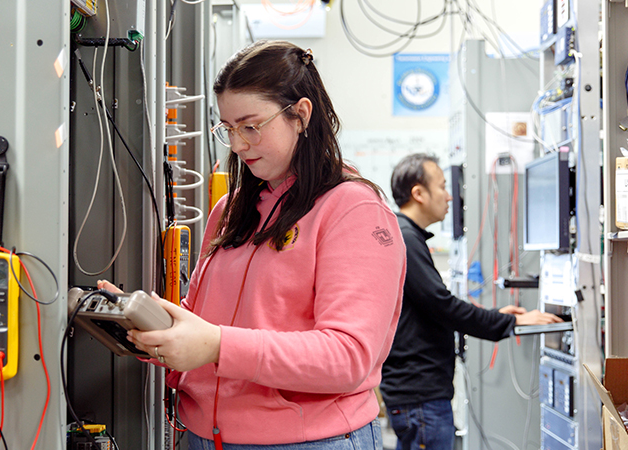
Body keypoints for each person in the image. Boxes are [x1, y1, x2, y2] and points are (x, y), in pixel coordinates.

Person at [100, 40, 406, 449]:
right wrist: (148, 326)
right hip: (206, 437)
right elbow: (204, 322)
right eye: (227, 129)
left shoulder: (352, 210)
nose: (237, 145)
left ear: (300, 115)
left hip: (310, 440)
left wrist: (217, 346)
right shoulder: (231, 210)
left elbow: (348, 356)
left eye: (250, 125)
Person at [380, 153, 563, 450]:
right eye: (441, 186)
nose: (450, 196)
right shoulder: (406, 239)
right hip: (419, 395)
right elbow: (443, 306)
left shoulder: (406, 236)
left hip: (417, 394)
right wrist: (510, 321)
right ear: (418, 193)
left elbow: (434, 306)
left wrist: (499, 316)